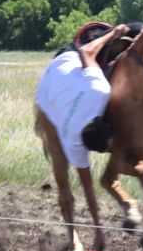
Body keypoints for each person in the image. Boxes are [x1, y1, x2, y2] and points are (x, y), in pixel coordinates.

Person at [35, 22, 133, 239]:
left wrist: (98, 231)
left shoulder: (98, 91)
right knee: (60, 165)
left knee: (133, 28)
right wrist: (114, 35)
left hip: (66, 80)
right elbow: (84, 50)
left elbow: (89, 190)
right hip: (52, 81)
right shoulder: (72, 141)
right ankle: (73, 237)